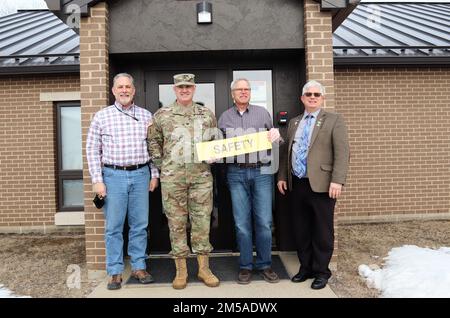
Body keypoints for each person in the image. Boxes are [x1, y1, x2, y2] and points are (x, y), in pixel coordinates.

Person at [86, 73, 159, 290]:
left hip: (140, 175)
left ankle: (138, 267)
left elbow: (153, 149)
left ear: (134, 90)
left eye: (128, 87)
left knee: (139, 225)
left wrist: (154, 174)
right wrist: (97, 181)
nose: (124, 90)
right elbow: (92, 151)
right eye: (120, 87)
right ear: (113, 90)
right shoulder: (101, 116)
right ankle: (115, 271)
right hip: (113, 176)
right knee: (114, 227)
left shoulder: (146, 116)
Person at [147, 73, 220, 289]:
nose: (185, 90)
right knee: (176, 224)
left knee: (201, 223)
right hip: (173, 181)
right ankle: (181, 271)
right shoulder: (162, 114)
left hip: (201, 179)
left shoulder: (206, 114)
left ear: (194, 88)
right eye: (181, 87)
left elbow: (215, 141)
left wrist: (213, 155)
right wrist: (165, 167)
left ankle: (204, 269)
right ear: (174, 89)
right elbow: (153, 142)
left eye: (188, 86)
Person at [277, 80, 350, 290]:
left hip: (323, 185)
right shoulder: (294, 122)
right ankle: (306, 268)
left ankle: (321, 271)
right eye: (308, 94)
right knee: (301, 229)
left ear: (322, 98)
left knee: (322, 230)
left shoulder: (334, 120)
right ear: (302, 98)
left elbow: (343, 153)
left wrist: (338, 180)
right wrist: (282, 176)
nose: (312, 97)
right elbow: (286, 153)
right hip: (297, 183)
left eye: (316, 94)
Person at [218, 78, 281, 285]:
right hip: (236, 173)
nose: (243, 92)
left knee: (263, 221)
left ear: (250, 93)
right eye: (239, 90)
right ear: (232, 93)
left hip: (261, 172)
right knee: (242, 224)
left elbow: (276, 141)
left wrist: (276, 136)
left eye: (247, 89)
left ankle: (264, 264)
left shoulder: (262, 113)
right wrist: (212, 154)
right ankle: (245, 266)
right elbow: (219, 146)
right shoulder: (225, 117)